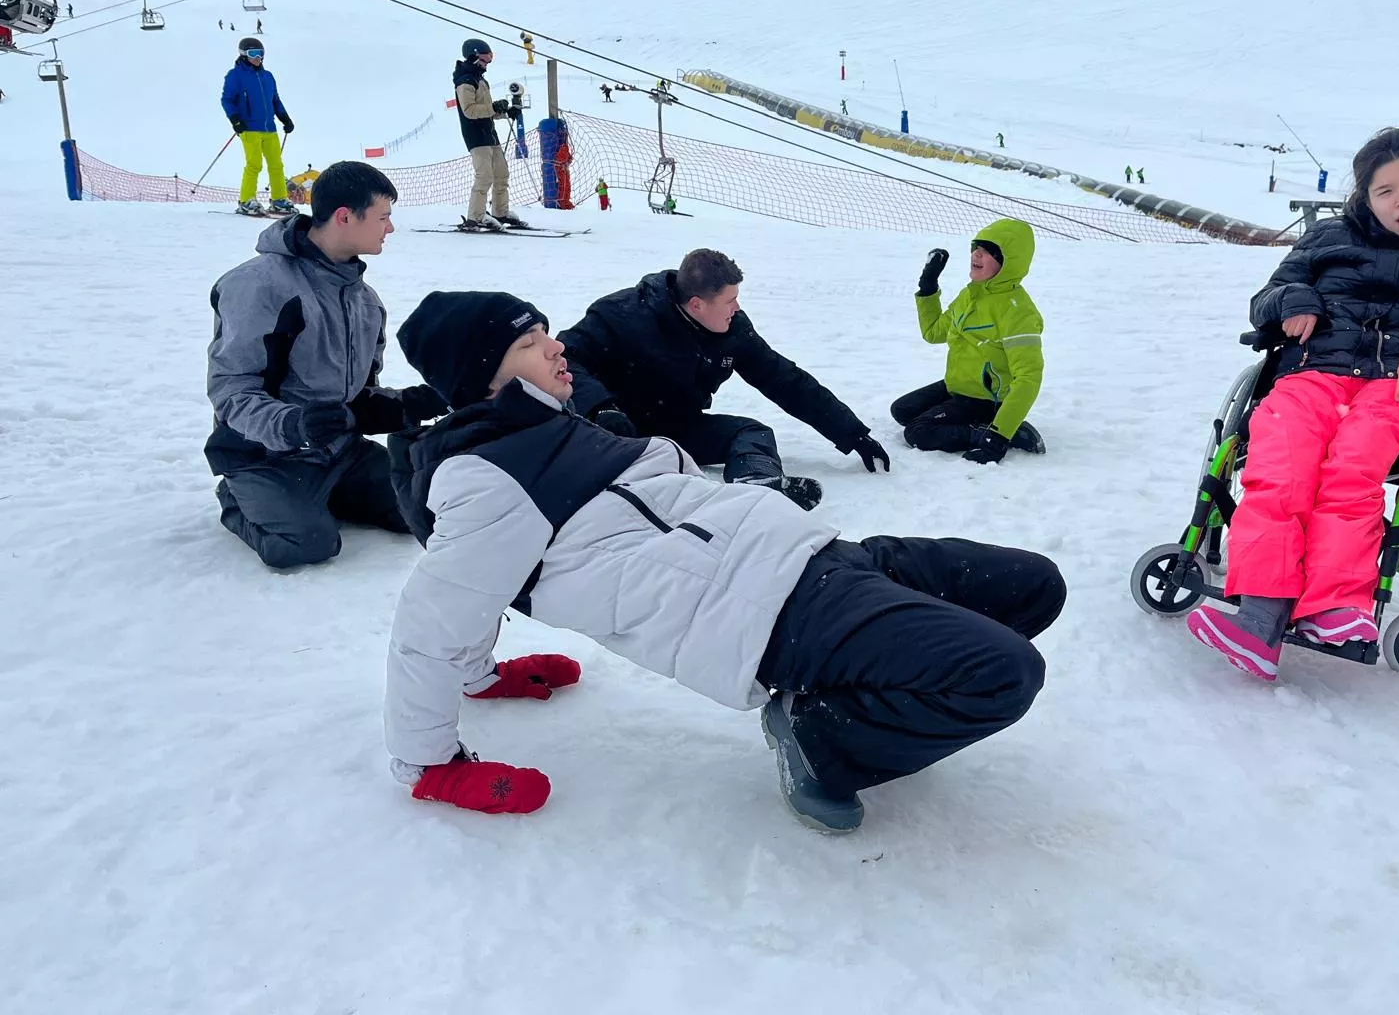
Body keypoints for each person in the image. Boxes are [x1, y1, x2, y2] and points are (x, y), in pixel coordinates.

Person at [383, 291, 1066, 831]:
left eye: (546, 332)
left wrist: (485, 677)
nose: (558, 347)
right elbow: (435, 617)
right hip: (771, 615)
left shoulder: (552, 424)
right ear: (486, 377)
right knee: (1004, 673)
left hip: (819, 555)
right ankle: (822, 737)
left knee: (1034, 585)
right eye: (531, 344)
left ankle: (876, 698)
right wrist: (430, 764)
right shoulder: (485, 478)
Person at [1188, 128, 1399, 681]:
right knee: (1281, 466)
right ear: (1365, 196)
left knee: (1352, 466)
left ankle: (1335, 609)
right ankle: (1260, 616)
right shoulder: (1326, 237)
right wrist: (1295, 300)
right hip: (1316, 373)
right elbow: (1264, 300)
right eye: (1386, 191)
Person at [205, 161, 448, 569]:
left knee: (426, 510)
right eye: (383, 217)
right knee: (306, 545)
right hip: (265, 456)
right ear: (344, 217)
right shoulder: (259, 286)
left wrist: (406, 404)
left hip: (340, 453)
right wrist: (293, 425)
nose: (390, 229)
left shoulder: (364, 300)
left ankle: (328, 493)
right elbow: (232, 390)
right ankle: (239, 499)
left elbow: (359, 394)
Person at [558, 249, 890, 510]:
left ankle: (757, 484)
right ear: (697, 304)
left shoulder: (734, 330)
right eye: (730, 300)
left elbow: (784, 379)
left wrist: (853, 433)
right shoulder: (622, 314)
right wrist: (600, 408)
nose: (737, 307)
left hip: (675, 428)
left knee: (751, 431)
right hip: (614, 432)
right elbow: (565, 355)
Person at [891, 218, 1046, 462]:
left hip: (986, 398)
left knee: (918, 432)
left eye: (988, 251)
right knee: (902, 410)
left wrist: (998, 436)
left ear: (1009, 262)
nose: (976, 254)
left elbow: (1029, 378)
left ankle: (989, 430)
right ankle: (978, 423)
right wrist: (928, 287)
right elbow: (933, 332)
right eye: (976, 247)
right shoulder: (971, 294)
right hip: (958, 386)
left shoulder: (1018, 312)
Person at [453, 37, 531, 232]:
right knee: (485, 176)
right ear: (472, 56)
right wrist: (492, 107)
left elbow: (485, 109)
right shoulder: (465, 81)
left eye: (489, 60)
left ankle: (499, 212)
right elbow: (469, 110)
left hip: (489, 133)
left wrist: (503, 111)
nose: (486, 64)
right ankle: (476, 217)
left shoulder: (480, 79)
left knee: (501, 173)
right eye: (484, 60)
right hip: (476, 136)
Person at [221, 37, 296, 216]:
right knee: (254, 164)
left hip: (269, 128)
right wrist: (236, 120)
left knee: (276, 165)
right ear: (243, 55)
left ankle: (279, 200)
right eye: (253, 54)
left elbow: (275, 100)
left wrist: (285, 118)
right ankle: (247, 200)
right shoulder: (235, 75)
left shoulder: (267, 76)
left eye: (261, 54)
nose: (258, 58)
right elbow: (227, 100)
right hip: (249, 128)